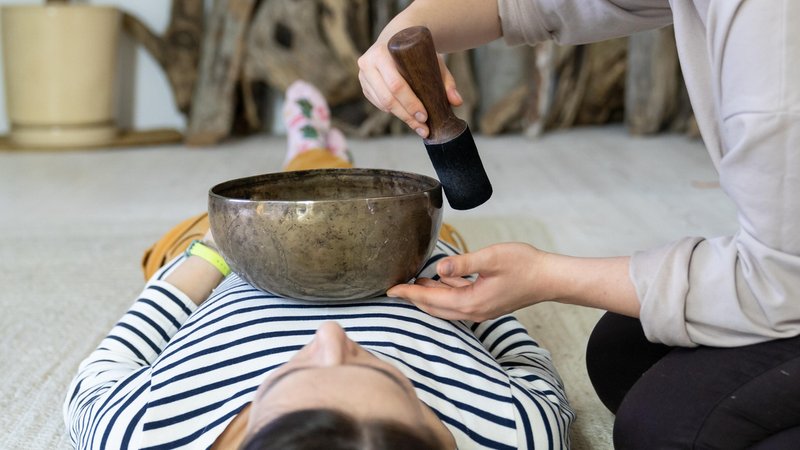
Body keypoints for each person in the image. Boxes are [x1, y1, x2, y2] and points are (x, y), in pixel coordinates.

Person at [357, 0, 800, 448]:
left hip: (787, 281)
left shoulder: (776, 39)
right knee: (623, 353)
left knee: (667, 429)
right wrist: (408, 26)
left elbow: (779, 281)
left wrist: (547, 276)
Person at [63, 81, 575, 450]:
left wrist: (212, 250)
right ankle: (323, 150)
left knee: (189, 237)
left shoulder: (138, 432)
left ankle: (311, 144)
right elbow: (524, 359)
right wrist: (428, 256)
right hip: (409, 265)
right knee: (365, 194)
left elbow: (119, 352)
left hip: (232, 259)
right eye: (392, 378)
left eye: (287, 376)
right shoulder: (517, 431)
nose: (330, 337)